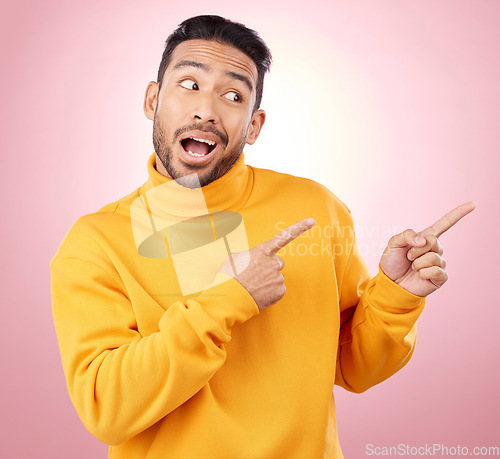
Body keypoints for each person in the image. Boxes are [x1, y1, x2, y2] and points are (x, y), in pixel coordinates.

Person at [51, 15, 475, 458]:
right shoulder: (95, 243)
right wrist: (231, 298)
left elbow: (353, 367)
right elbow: (107, 410)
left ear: (254, 125)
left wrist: (394, 296)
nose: (206, 110)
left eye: (232, 95)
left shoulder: (315, 209)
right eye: (190, 85)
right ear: (153, 99)